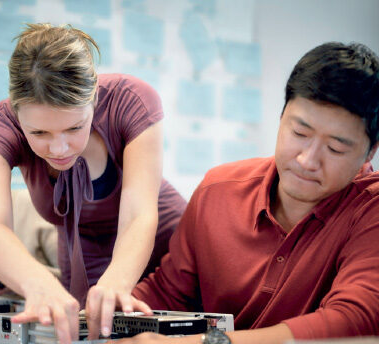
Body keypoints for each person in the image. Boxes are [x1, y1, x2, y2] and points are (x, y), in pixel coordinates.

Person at [116, 42, 379, 344]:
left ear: (370, 151)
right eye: (299, 133)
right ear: (281, 119)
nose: (308, 160)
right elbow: (168, 292)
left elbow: (357, 321)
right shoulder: (219, 190)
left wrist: (209, 342)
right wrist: (112, 323)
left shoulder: (370, 207)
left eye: (335, 148)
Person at [0, 23, 186, 344]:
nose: (59, 149)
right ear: (16, 111)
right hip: (82, 249)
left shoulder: (132, 99)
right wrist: (37, 282)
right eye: (39, 133)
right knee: (85, 329)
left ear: (93, 98)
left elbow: (138, 214)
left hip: (163, 239)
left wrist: (117, 282)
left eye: (74, 127)